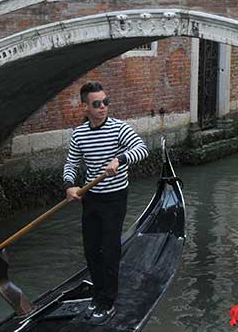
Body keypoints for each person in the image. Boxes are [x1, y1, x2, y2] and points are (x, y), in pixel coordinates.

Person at [63, 81, 149, 325]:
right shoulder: (79, 134)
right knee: (91, 249)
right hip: (90, 198)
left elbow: (142, 149)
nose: (103, 107)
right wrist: (70, 185)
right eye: (97, 104)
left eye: (105, 102)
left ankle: (108, 302)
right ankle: (97, 294)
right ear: (86, 107)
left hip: (114, 198)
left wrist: (120, 159)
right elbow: (71, 163)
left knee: (109, 250)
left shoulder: (119, 129)